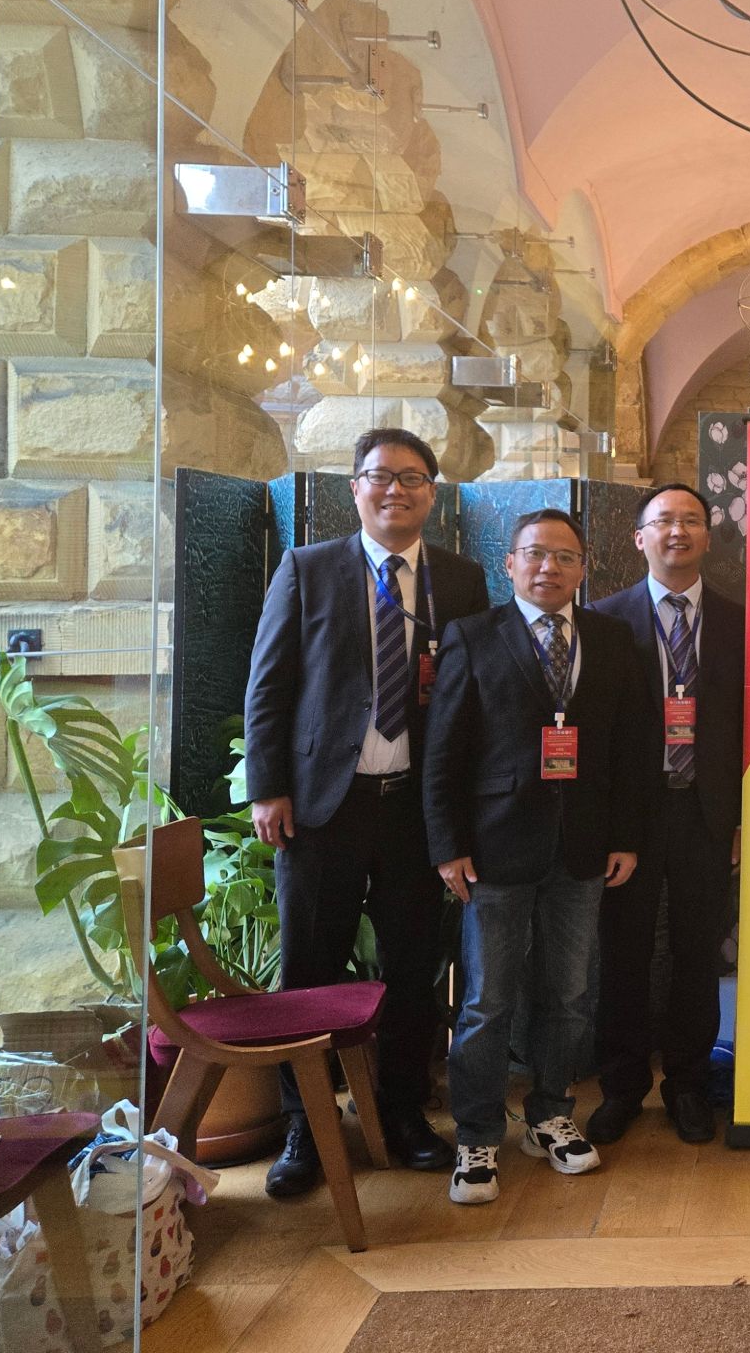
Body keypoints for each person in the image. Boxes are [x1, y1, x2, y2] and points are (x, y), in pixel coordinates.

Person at [243, 428, 490, 1198]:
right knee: (309, 970)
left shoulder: (462, 580)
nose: (396, 490)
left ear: (433, 495)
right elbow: (269, 685)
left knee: (414, 971)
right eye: (381, 476)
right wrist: (267, 787)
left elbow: (472, 701)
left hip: (416, 811)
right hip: (323, 807)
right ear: (354, 488)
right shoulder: (307, 569)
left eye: (413, 478)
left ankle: (403, 1112)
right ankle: (305, 1125)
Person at [425, 508, 649, 1206]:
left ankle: (551, 1114)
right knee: (487, 1000)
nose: (549, 567)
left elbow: (629, 746)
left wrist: (626, 835)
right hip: (493, 850)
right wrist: (447, 847)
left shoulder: (610, 638)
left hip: (583, 848)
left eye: (565, 557)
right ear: (511, 563)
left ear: (584, 569)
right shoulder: (472, 636)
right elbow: (443, 750)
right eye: (535, 554)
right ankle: (477, 1135)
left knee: (570, 995)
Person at [586, 483, 745, 1146]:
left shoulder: (740, 622)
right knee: (622, 954)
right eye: (663, 521)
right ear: (639, 538)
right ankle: (621, 1088)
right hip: (631, 819)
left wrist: (742, 817)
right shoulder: (602, 620)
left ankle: (686, 1084)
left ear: (708, 536)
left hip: (709, 815)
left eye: (690, 521)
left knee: (695, 953)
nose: (677, 531)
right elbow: (594, 731)